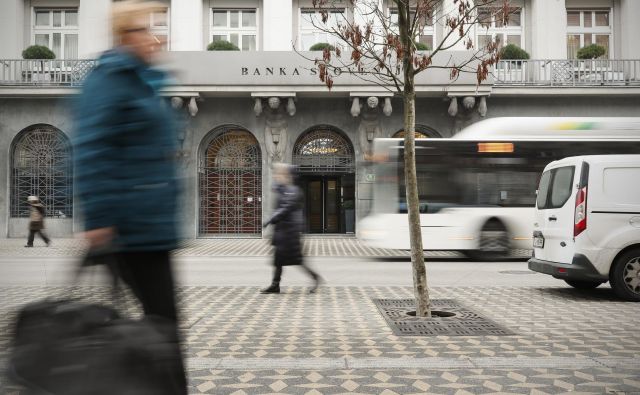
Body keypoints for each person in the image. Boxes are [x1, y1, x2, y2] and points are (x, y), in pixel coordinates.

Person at [72, 1, 186, 392]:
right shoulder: (108, 79)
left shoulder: (141, 80)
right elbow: (91, 148)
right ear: (127, 34)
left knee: (162, 329)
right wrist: (100, 220)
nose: (158, 38)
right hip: (129, 229)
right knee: (162, 330)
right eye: (149, 29)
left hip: (151, 226)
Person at [262, 163, 322, 294]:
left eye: (279, 174)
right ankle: (275, 285)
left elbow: (285, 208)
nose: (276, 177)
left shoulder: (293, 190)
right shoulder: (284, 189)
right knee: (278, 260)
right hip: (282, 231)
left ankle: (315, 277)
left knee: (297, 260)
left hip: (290, 233)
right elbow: (279, 200)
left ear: (287, 176)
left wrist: (270, 220)